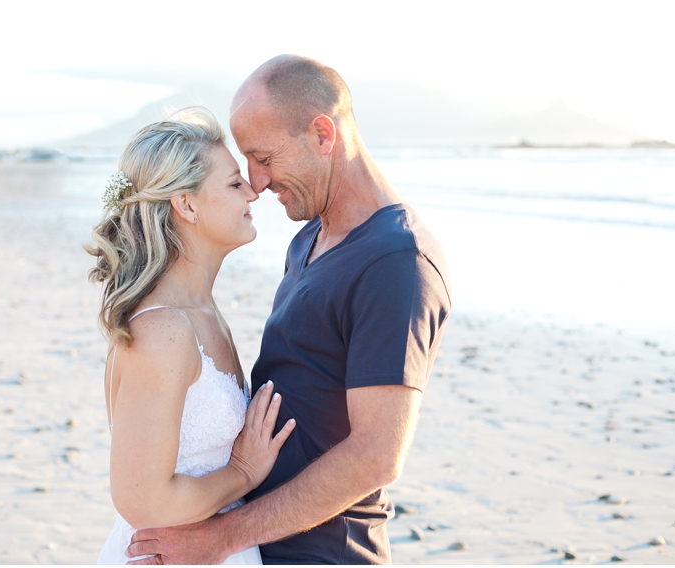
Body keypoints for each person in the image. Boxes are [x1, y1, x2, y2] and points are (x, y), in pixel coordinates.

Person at [126, 55, 452, 564]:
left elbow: (376, 457)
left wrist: (221, 536)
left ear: (323, 134)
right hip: (259, 546)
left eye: (263, 157)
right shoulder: (307, 241)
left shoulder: (395, 260)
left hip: (325, 552)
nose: (256, 181)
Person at [86, 107, 296, 565]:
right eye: (233, 182)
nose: (253, 193)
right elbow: (143, 501)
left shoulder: (202, 313)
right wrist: (242, 472)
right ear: (187, 204)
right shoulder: (162, 330)